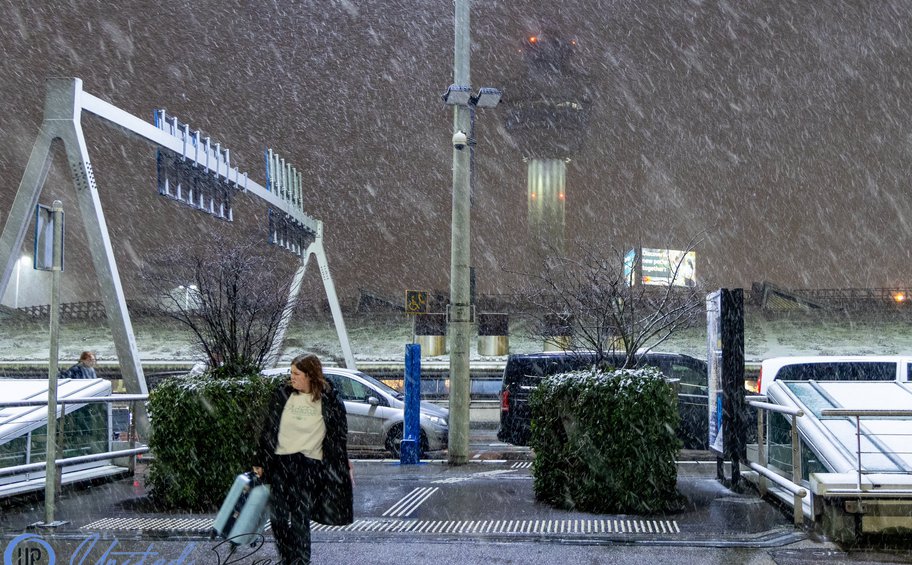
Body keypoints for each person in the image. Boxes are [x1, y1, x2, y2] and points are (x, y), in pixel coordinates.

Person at [253, 354, 353, 564]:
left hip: (307, 465)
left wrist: (343, 463)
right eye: (291, 373)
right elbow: (269, 429)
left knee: (299, 519)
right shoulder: (283, 394)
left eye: (297, 374)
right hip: (280, 463)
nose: (292, 378)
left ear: (310, 375)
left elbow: (337, 436)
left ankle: (300, 561)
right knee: (278, 519)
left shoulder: (328, 399)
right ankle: (288, 558)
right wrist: (260, 460)